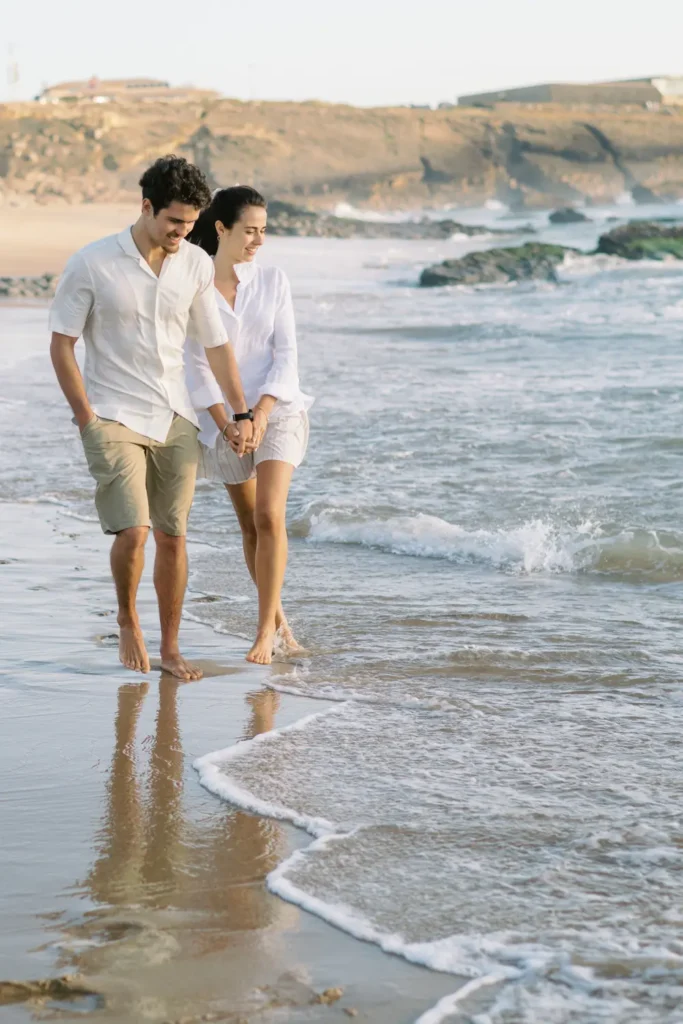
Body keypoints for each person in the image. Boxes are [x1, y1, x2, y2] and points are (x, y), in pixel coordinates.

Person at [50, 156, 253, 681]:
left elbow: (216, 345)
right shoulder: (92, 262)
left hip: (174, 414)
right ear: (146, 207)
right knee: (134, 531)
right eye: (174, 221)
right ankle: (127, 619)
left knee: (173, 536)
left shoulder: (195, 264)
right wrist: (86, 417)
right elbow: (62, 344)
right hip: (113, 413)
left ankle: (171, 647)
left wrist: (241, 412)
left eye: (191, 223)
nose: (182, 232)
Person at [184, 186, 313, 665]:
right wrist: (227, 424)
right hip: (222, 420)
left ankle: (263, 634)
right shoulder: (193, 285)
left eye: (263, 230)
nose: (259, 240)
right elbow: (196, 365)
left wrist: (259, 413)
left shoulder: (273, 281)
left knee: (269, 516)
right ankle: (279, 622)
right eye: (250, 230)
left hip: (277, 409)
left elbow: (287, 355)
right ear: (221, 229)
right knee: (248, 524)